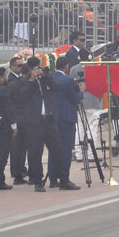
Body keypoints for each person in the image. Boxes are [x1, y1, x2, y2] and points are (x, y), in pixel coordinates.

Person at [19, 57, 80, 191]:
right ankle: (37, 182)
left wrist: (44, 76)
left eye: (39, 67)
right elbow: (23, 96)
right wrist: (32, 79)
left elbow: (56, 87)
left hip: (49, 119)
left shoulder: (46, 79)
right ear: (30, 69)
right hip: (35, 122)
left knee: (57, 150)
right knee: (36, 153)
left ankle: (64, 180)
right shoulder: (25, 80)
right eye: (36, 68)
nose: (38, 70)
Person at [47, 57, 85, 188]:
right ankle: (64, 179)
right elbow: (75, 99)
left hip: (52, 117)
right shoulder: (68, 81)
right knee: (66, 148)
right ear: (66, 67)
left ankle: (52, 179)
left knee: (53, 148)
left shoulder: (50, 79)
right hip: (66, 117)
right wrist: (81, 92)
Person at [0, 66, 18, 190]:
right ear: (1, 78)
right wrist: (14, 124)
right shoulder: (3, 90)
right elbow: (9, 108)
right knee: (3, 153)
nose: (6, 78)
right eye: (5, 75)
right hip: (4, 126)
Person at [6, 57, 28, 184]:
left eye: (22, 65)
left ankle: (20, 169)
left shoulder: (18, 79)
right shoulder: (11, 80)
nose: (21, 68)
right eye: (18, 66)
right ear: (12, 67)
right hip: (17, 116)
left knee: (21, 147)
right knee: (17, 147)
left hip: (21, 116)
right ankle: (17, 172)